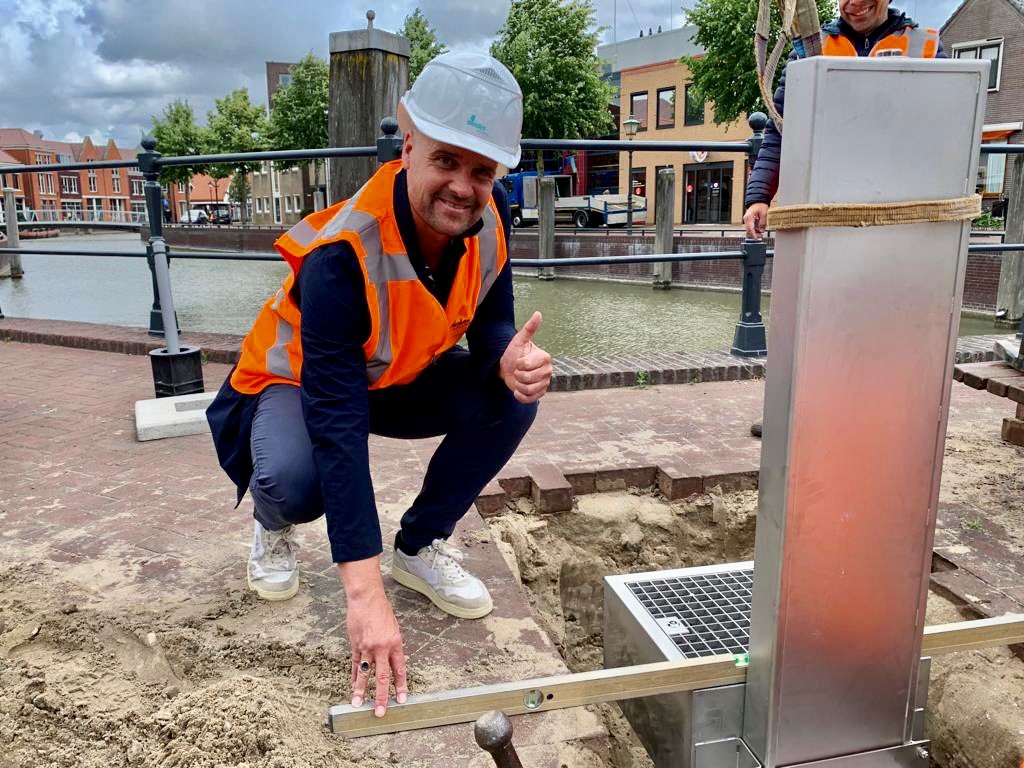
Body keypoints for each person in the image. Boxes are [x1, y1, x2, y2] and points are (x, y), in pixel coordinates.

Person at [206, 52, 552, 717]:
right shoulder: (342, 255)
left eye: (482, 171)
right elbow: (339, 426)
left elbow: (492, 315)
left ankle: (419, 545)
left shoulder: (492, 217)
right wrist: (363, 598)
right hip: (296, 379)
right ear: (409, 139)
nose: (463, 186)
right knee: (299, 483)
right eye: (446, 161)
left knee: (512, 394)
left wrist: (505, 354)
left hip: (391, 374)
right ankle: (271, 522)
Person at [742, 0, 944, 437]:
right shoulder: (810, 49)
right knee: (810, 317)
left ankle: (873, 415)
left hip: (897, 218)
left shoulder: (925, 47)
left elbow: (944, 126)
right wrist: (760, 195)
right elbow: (780, 129)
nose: (853, 3)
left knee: (884, 318)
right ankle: (793, 412)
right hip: (826, 212)